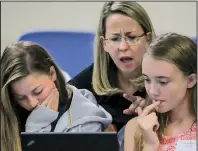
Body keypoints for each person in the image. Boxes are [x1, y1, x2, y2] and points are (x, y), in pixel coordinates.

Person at [1, 41, 112, 151]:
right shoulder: (7, 115)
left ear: (52, 73)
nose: (32, 103)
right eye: (20, 98)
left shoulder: (85, 121)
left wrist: (37, 128)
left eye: (38, 91)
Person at [68, 1, 156, 131]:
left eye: (131, 37)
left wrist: (158, 113)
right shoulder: (87, 82)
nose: (123, 47)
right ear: (104, 44)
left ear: (148, 39)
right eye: (115, 39)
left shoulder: (165, 77)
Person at [124, 33, 197, 151]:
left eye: (163, 82)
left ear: (191, 80)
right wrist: (150, 146)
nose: (152, 91)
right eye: (147, 80)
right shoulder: (136, 128)